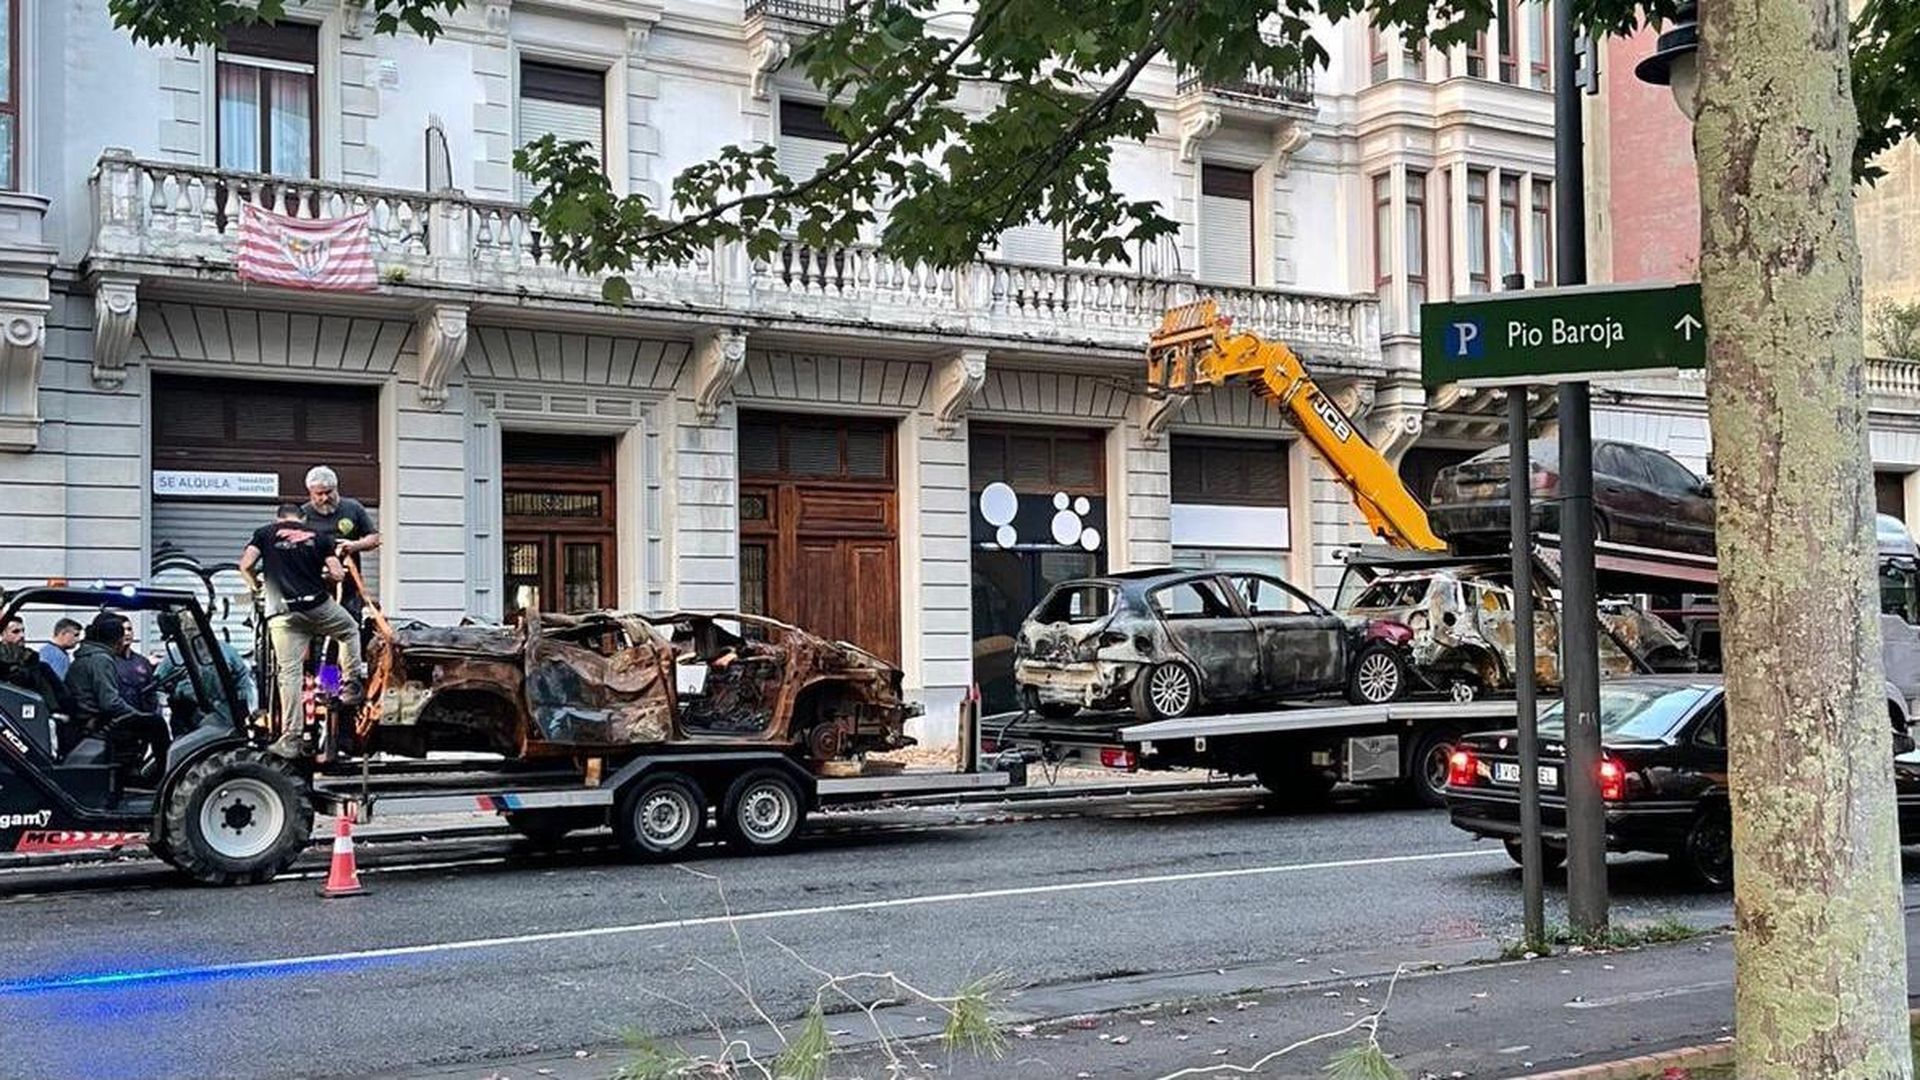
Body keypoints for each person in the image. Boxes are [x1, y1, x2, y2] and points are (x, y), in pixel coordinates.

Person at [241, 503, 362, 758]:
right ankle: (348, 690)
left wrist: (257, 588)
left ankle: (293, 736)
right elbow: (339, 575)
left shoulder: (264, 533)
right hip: (317, 613)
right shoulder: (320, 537)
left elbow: (246, 565)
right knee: (345, 636)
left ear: (277, 518)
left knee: (289, 674)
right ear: (304, 518)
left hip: (283, 615)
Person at [65, 614, 167, 777]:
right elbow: (110, 702)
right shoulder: (101, 660)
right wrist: (137, 714)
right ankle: (163, 777)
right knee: (156, 724)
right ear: (117, 640)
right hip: (97, 721)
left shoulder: (85, 655)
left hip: (86, 717)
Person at [300, 465, 379, 617]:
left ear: (336, 488)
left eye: (329, 492)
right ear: (310, 492)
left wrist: (355, 545)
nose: (324, 498)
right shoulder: (303, 515)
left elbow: (374, 538)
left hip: (349, 587)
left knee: (350, 627)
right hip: (314, 586)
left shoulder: (353, 508)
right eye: (319, 494)